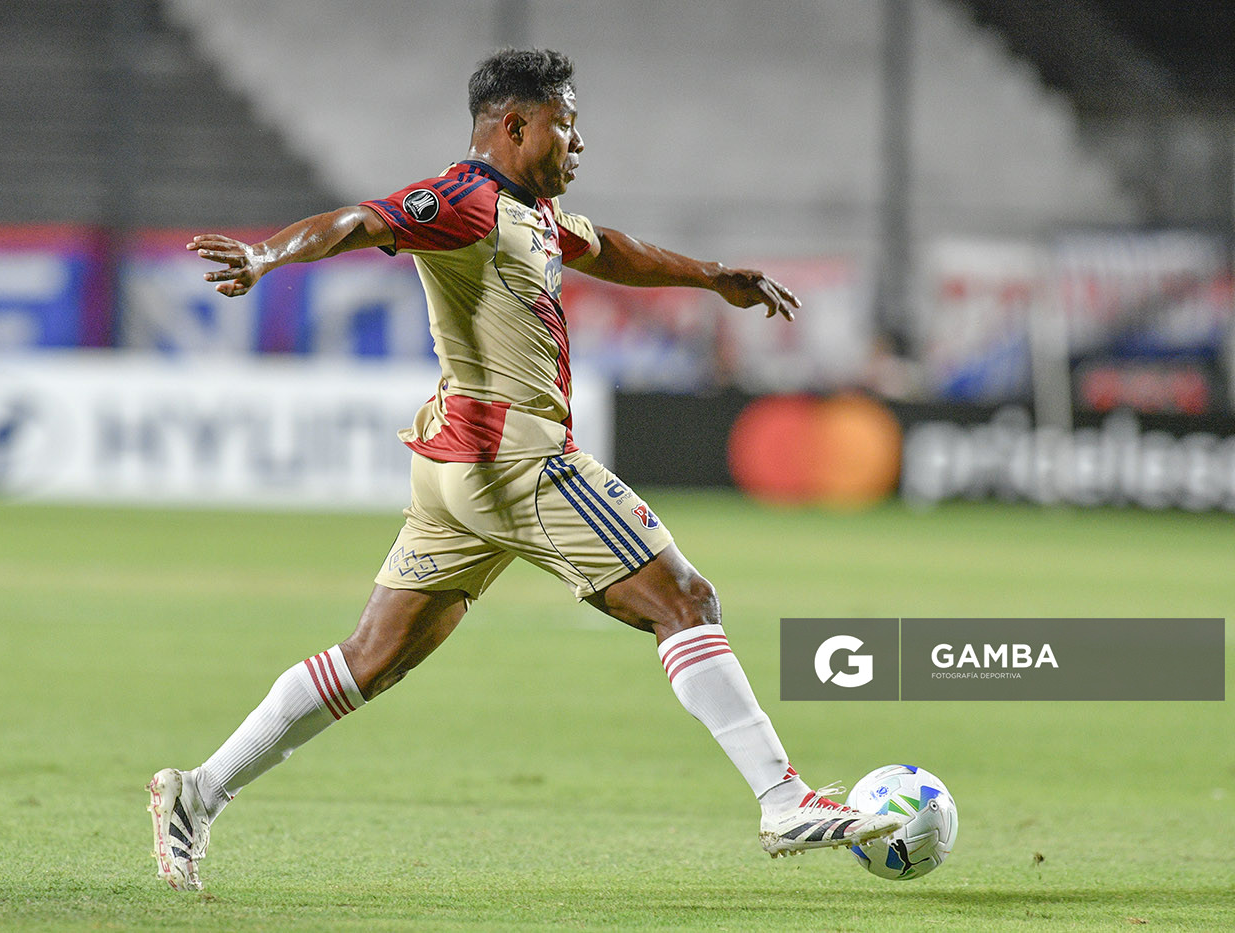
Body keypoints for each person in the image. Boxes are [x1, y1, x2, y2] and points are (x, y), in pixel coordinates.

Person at [148, 48, 902, 891]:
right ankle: (782, 797)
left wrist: (709, 276)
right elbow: (361, 221)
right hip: (516, 461)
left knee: (371, 658)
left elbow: (609, 249)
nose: (578, 140)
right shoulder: (465, 200)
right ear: (514, 125)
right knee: (684, 600)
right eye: (565, 122)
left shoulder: (532, 212)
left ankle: (197, 791)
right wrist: (264, 257)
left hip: (458, 474)